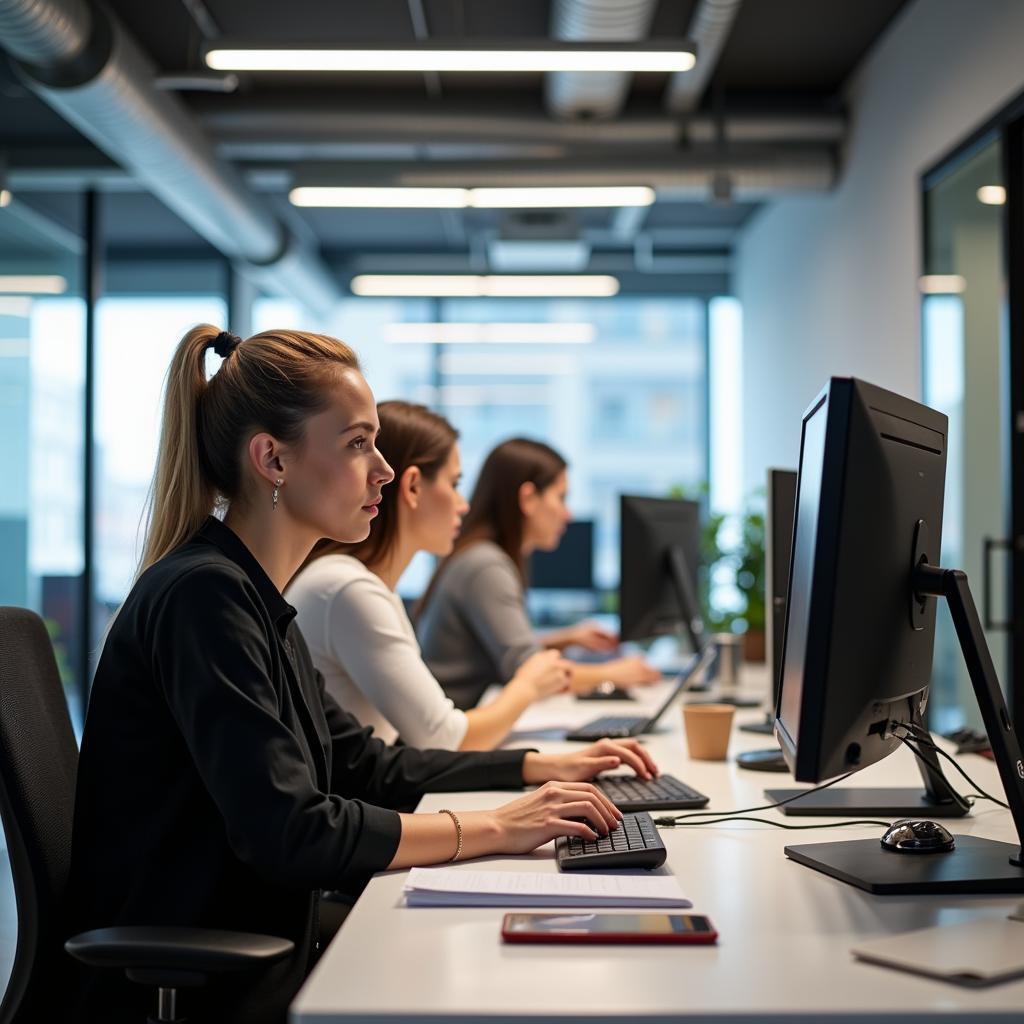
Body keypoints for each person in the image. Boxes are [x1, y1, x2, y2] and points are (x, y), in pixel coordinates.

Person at [63, 327, 658, 1024]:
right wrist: (496, 827)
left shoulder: (257, 598)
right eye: (356, 443)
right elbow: (292, 831)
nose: (382, 469)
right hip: (200, 975)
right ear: (272, 459)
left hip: (261, 940)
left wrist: (537, 771)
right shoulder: (204, 598)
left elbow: (366, 766)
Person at [288, 401, 572, 751]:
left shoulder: (362, 585)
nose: (462, 504)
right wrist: (528, 685)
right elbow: (443, 738)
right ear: (413, 488)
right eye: (454, 484)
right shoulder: (349, 589)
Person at [417, 438, 661, 711]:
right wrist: (615, 673)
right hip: (453, 736)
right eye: (561, 497)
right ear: (528, 498)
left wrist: (566, 638)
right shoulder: (486, 567)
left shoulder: (482, 556)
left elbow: (496, 652)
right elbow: (530, 671)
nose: (567, 514)